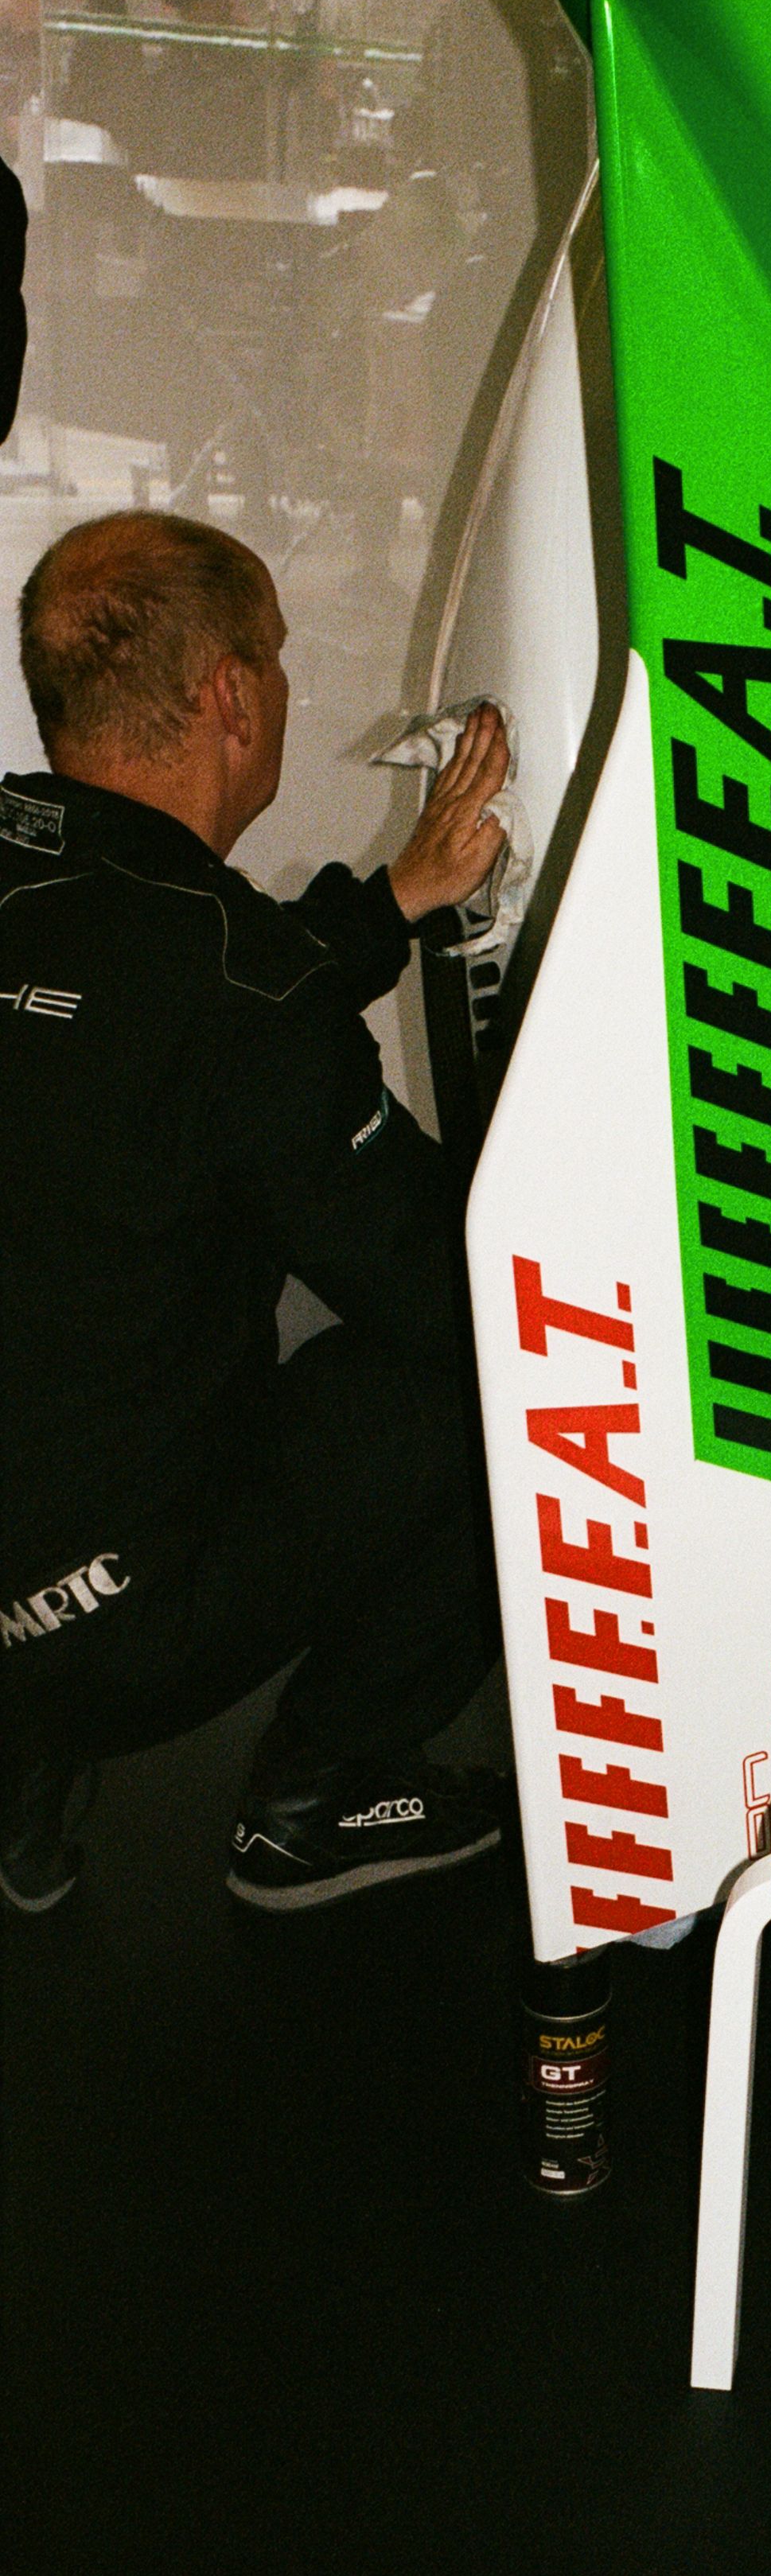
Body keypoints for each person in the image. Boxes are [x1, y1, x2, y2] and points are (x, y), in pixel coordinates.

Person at [0, 511, 510, 1914]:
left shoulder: (49, 875)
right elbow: (453, 1292)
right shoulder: (234, 996)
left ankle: (21, 1772)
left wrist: (392, 900)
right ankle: (319, 1792)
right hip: (101, 1625)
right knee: (502, 1381)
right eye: (276, 662)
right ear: (232, 695)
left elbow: (157, 1000)